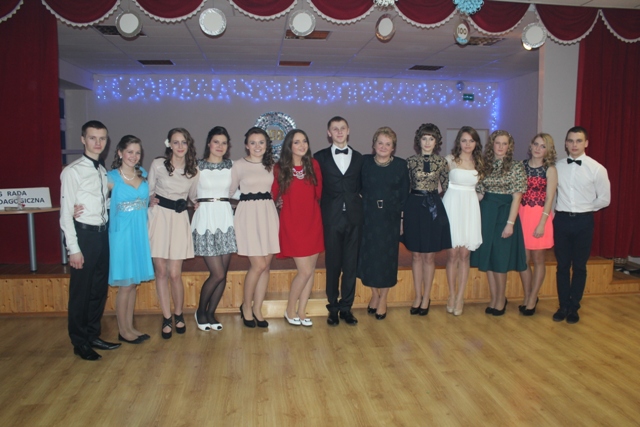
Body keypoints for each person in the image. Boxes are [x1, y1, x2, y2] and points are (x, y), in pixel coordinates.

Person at [60, 120, 121, 360]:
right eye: (93, 138)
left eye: (102, 138)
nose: (98, 142)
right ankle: (79, 341)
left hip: (101, 234)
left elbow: (102, 203)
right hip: (84, 236)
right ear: (83, 139)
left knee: (98, 289)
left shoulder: (102, 170)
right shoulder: (72, 171)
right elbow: (65, 213)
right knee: (81, 292)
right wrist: (73, 249)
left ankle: (93, 335)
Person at [552, 126, 610, 324]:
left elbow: (605, 199)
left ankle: (574, 307)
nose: (574, 144)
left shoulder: (597, 169)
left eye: (578, 141)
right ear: (565, 143)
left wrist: (584, 209)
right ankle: (562, 306)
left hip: (584, 221)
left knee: (579, 266)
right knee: (562, 266)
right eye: (570, 140)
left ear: (586, 143)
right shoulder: (557, 167)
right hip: (561, 220)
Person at [148, 128, 199, 339]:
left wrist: (197, 203)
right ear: (169, 144)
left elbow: (193, 196)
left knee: (175, 273)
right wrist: (149, 199)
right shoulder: (158, 164)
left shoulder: (193, 170)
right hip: (159, 218)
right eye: (176, 142)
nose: (180, 146)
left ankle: (179, 313)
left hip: (178, 220)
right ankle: (166, 316)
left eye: (183, 142)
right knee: (161, 271)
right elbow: (148, 190)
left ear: (188, 145)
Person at [471, 130, 527, 316]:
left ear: (509, 146)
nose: (501, 147)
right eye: (497, 143)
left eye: (504, 143)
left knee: (500, 258)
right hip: (486, 213)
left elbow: (517, 197)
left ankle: (501, 299)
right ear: (492, 145)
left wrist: (510, 223)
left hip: (504, 214)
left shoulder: (516, 166)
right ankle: (494, 298)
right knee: (489, 257)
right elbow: (480, 193)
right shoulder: (484, 165)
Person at [314, 116, 363, 326]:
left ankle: (346, 308)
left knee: (351, 265)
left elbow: (363, 186)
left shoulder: (359, 158)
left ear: (348, 130)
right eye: (335, 129)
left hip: (354, 218)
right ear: (329, 133)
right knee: (333, 264)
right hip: (331, 217)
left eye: (342, 128)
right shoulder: (319, 157)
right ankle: (333, 308)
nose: (339, 132)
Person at [272, 129, 324, 327]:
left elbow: (318, 193)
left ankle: (302, 311)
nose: (302, 145)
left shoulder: (313, 165)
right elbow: (273, 194)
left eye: (304, 141)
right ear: (289, 146)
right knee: (304, 271)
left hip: (313, 221)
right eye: (297, 142)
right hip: (292, 223)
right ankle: (290, 310)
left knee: (310, 270)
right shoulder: (280, 168)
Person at [105, 135, 154, 343]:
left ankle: (130, 327)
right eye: (130, 152)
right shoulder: (110, 178)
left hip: (139, 233)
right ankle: (123, 330)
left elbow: (147, 200)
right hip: (121, 235)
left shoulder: (143, 174)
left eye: (137, 152)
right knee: (126, 284)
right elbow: (94, 199)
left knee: (133, 283)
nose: (134, 156)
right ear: (120, 153)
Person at [229, 127, 279, 328]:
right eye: (253, 142)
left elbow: (277, 189)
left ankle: (258, 308)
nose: (257, 146)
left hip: (268, 214)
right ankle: (246, 307)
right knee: (258, 265)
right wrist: (246, 197)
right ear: (246, 145)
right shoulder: (238, 165)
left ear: (266, 145)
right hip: (248, 215)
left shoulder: (271, 165)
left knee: (266, 265)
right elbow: (229, 191)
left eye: (261, 142)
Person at [357, 127, 409, 320]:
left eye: (388, 144)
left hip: (390, 219)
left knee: (387, 260)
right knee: (369, 258)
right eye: (380, 143)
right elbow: (357, 188)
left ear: (393, 147)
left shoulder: (401, 165)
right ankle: (374, 294)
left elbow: (404, 195)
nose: (383, 147)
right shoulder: (365, 163)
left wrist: (402, 220)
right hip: (368, 218)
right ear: (374, 145)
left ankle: (384, 298)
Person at [191, 126, 237, 331]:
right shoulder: (196, 166)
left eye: (224, 143)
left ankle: (211, 313)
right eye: (216, 142)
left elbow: (237, 192)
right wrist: (191, 201)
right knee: (217, 273)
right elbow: (187, 190)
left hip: (225, 219)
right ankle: (200, 311)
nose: (220, 146)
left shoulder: (232, 166)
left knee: (223, 274)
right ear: (209, 143)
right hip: (206, 220)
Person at [403, 123, 452, 316]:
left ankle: (426, 297)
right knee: (416, 255)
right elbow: (405, 187)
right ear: (419, 140)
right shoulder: (409, 161)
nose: (427, 142)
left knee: (429, 256)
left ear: (436, 142)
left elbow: (446, 187)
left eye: (431, 139)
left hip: (433, 208)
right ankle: (417, 296)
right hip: (413, 206)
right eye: (424, 138)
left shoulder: (442, 162)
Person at [442, 127, 484, 316]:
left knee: (465, 255)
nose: (468, 144)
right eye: (464, 140)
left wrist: (476, 199)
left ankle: (460, 297)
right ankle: (451, 295)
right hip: (452, 206)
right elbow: (438, 185)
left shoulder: (480, 163)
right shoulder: (449, 160)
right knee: (452, 254)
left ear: (476, 143)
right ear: (458, 141)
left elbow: (482, 190)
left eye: (471, 141)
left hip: (470, 208)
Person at [517, 133, 558, 316]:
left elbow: (550, 198)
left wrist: (542, 223)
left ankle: (533, 298)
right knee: (523, 260)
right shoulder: (521, 166)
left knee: (539, 259)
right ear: (530, 145)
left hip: (541, 217)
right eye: (536, 144)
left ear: (548, 150)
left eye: (542, 146)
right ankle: (527, 296)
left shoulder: (550, 170)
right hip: (522, 215)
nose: (538, 148)